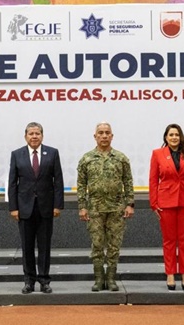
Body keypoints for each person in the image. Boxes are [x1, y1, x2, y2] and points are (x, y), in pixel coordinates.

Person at [77, 122, 134, 292]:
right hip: (95, 209)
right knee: (97, 244)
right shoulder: (86, 158)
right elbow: (81, 184)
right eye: (100, 133)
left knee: (114, 245)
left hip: (116, 209)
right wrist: (82, 206)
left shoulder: (121, 158)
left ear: (112, 136)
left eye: (107, 133)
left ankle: (111, 279)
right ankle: (99, 278)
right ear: (95, 136)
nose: (104, 135)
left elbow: (128, 182)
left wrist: (129, 204)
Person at [8, 122, 64, 294]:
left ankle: (44, 280)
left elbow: (58, 181)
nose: (34, 136)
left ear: (42, 136)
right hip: (24, 208)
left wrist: (58, 205)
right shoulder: (17, 154)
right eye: (31, 134)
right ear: (25, 136)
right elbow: (12, 183)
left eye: (37, 133)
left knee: (44, 246)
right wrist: (13, 207)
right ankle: (29, 281)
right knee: (27, 247)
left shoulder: (52, 153)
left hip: (46, 208)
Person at [149, 124, 184, 291]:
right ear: (166, 137)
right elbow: (153, 180)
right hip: (166, 202)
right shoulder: (157, 154)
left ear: (181, 137)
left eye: (177, 135)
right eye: (171, 135)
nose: (174, 138)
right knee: (169, 240)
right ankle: (170, 274)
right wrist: (154, 203)